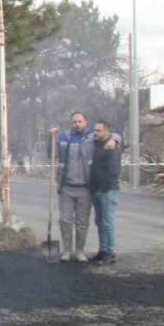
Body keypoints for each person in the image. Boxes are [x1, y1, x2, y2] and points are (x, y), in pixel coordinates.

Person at [51, 111, 120, 263]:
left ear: (85, 122)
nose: (77, 124)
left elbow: (112, 134)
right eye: (74, 122)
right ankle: (67, 250)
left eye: (80, 121)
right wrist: (50, 137)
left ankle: (80, 251)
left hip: (85, 188)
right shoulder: (62, 137)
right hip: (66, 187)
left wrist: (115, 139)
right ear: (71, 123)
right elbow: (51, 152)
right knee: (65, 220)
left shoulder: (91, 137)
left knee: (83, 222)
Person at [87, 121, 121, 265]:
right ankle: (103, 250)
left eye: (99, 130)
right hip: (96, 190)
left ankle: (110, 253)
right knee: (100, 221)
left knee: (108, 222)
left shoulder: (112, 146)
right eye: (95, 130)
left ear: (107, 132)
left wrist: (105, 188)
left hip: (107, 190)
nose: (95, 133)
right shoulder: (96, 145)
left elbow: (113, 170)